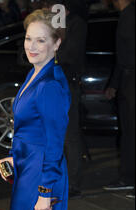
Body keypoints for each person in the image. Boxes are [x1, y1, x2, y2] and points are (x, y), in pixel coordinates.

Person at [0, 9, 74, 210]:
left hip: (43, 176)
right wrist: (13, 156)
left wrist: (45, 191)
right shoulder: (35, 72)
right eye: (29, 39)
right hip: (29, 169)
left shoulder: (50, 84)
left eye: (41, 41)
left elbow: (55, 143)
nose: (31, 46)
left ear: (56, 44)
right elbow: (31, 130)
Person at [44, 0, 88, 199]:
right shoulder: (50, 24)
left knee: (69, 136)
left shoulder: (76, 24)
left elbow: (69, 55)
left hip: (66, 84)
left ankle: (73, 182)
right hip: (48, 85)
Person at [103, 0, 135, 198]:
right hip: (127, 79)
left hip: (131, 79)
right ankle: (128, 177)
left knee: (132, 131)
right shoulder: (125, 17)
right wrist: (115, 83)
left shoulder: (131, 16)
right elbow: (121, 56)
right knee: (129, 132)